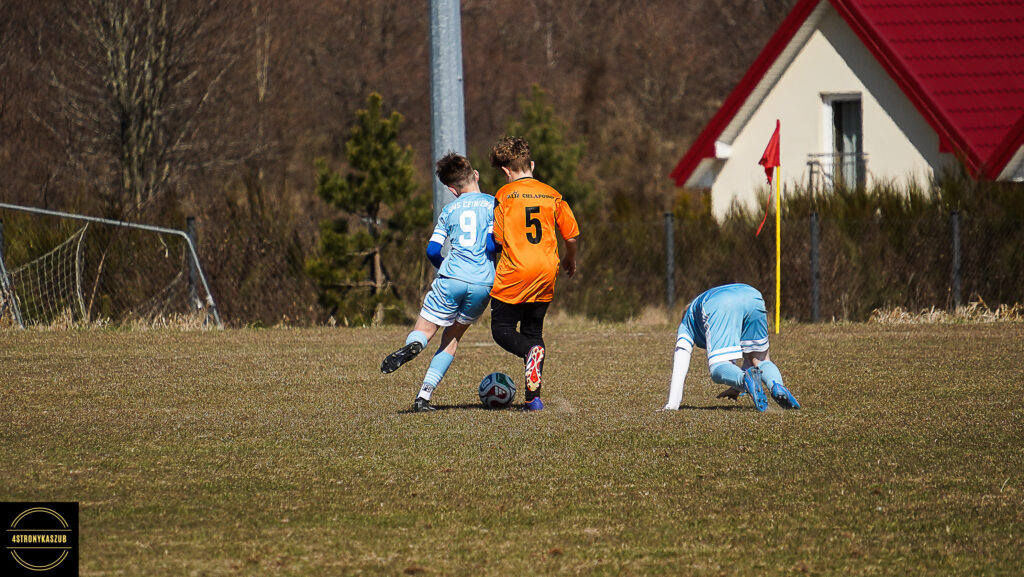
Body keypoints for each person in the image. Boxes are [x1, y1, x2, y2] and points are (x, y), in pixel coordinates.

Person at [380, 152, 497, 412]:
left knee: (425, 330)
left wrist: (446, 267)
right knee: (452, 338)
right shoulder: (493, 204)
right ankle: (423, 396)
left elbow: (432, 250)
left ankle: (415, 344)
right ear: (476, 175)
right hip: (483, 283)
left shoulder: (448, 211)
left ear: (451, 189)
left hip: (452, 277)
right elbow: (492, 245)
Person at [487, 136, 580, 411]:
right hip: (545, 270)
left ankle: (529, 352)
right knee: (533, 330)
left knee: (501, 329)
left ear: (506, 171)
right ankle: (533, 399)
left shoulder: (504, 195)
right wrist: (570, 259)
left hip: (515, 271)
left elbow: (498, 240)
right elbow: (571, 236)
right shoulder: (553, 194)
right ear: (532, 165)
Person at [661, 283, 800, 412]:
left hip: (720, 303)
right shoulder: (704, 300)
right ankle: (777, 385)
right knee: (760, 360)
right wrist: (736, 388)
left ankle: (744, 380)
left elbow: (681, 359)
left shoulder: (687, 322)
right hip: (752, 296)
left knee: (717, 368)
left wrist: (672, 405)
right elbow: (750, 365)